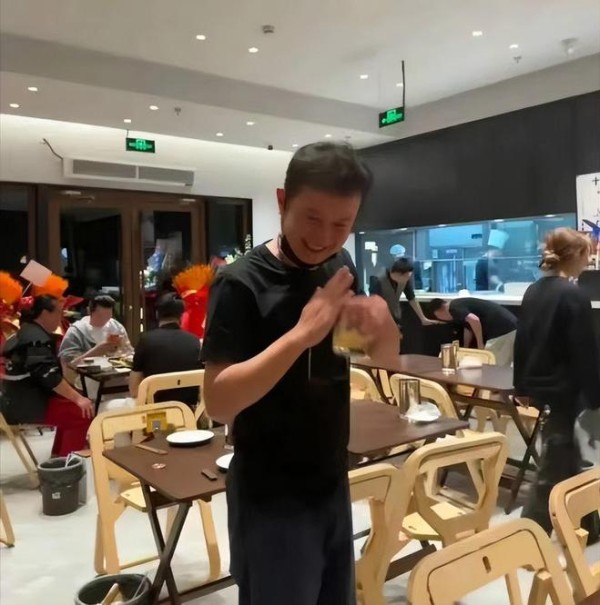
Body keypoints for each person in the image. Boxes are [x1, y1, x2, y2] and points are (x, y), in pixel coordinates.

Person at [201, 142, 399, 605]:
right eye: (312, 217)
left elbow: (379, 360)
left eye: (342, 224)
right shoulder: (240, 282)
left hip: (332, 478)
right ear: (282, 200)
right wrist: (300, 336)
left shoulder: (340, 266)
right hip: (269, 496)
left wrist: (384, 329)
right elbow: (218, 402)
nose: (324, 237)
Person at [514, 228, 600, 534]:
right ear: (576, 255)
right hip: (565, 392)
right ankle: (530, 537)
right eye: (587, 254)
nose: (589, 261)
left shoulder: (534, 291)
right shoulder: (573, 295)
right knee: (553, 469)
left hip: (541, 388)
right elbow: (584, 351)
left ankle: (588, 525)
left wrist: (521, 386)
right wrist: (596, 396)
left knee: (570, 460)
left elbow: (521, 341)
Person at [1, 295, 94, 456]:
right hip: (25, 404)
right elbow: (48, 375)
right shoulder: (35, 339)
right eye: (59, 313)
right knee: (81, 413)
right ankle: (68, 463)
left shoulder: (27, 331)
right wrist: (78, 399)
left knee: (75, 405)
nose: (61, 318)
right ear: (45, 313)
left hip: (17, 398)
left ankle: (59, 457)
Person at [129, 293, 202, 408]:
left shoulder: (146, 340)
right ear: (181, 316)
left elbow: (134, 391)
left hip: (155, 413)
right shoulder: (195, 341)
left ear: (157, 314)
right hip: (189, 412)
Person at [430, 297, 517, 366]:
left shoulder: (454, 308)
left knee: (492, 365)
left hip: (501, 330)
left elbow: (474, 320)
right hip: (511, 327)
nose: (441, 319)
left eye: (438, 316)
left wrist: (480, 344)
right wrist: (465, 347)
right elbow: (469, 327)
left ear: (440, 311)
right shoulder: (459, 306)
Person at [58, 295, 132, 368]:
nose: (105, 319)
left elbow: (128, 351)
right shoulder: (77, 331)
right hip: (87, 373)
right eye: (100, 316)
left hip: (115, 372)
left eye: (108, 316)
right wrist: (96, 351)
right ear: (89, 311)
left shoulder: (116, 327)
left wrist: (124, 352)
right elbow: (68, 364)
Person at [369, 257, 439, 329]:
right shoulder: (377, 279)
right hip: (380, 319)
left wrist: (423, 319)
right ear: (398, 274)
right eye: (406, 277)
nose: (407, 280)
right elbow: (375, 304)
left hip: (396, 315)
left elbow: (411, 297)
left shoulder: (404, 277)